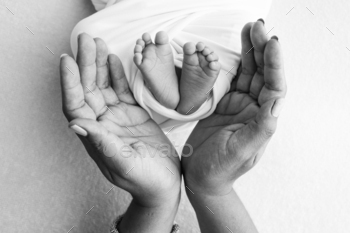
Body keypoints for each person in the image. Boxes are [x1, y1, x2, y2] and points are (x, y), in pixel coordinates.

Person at [59, 18, 286, 232]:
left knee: (230, 33)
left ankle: (179, 95)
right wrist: (212, 190)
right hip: (149, 101)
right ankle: (185, 98)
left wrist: (157, 202)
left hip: (142, 102)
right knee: (104, 37)